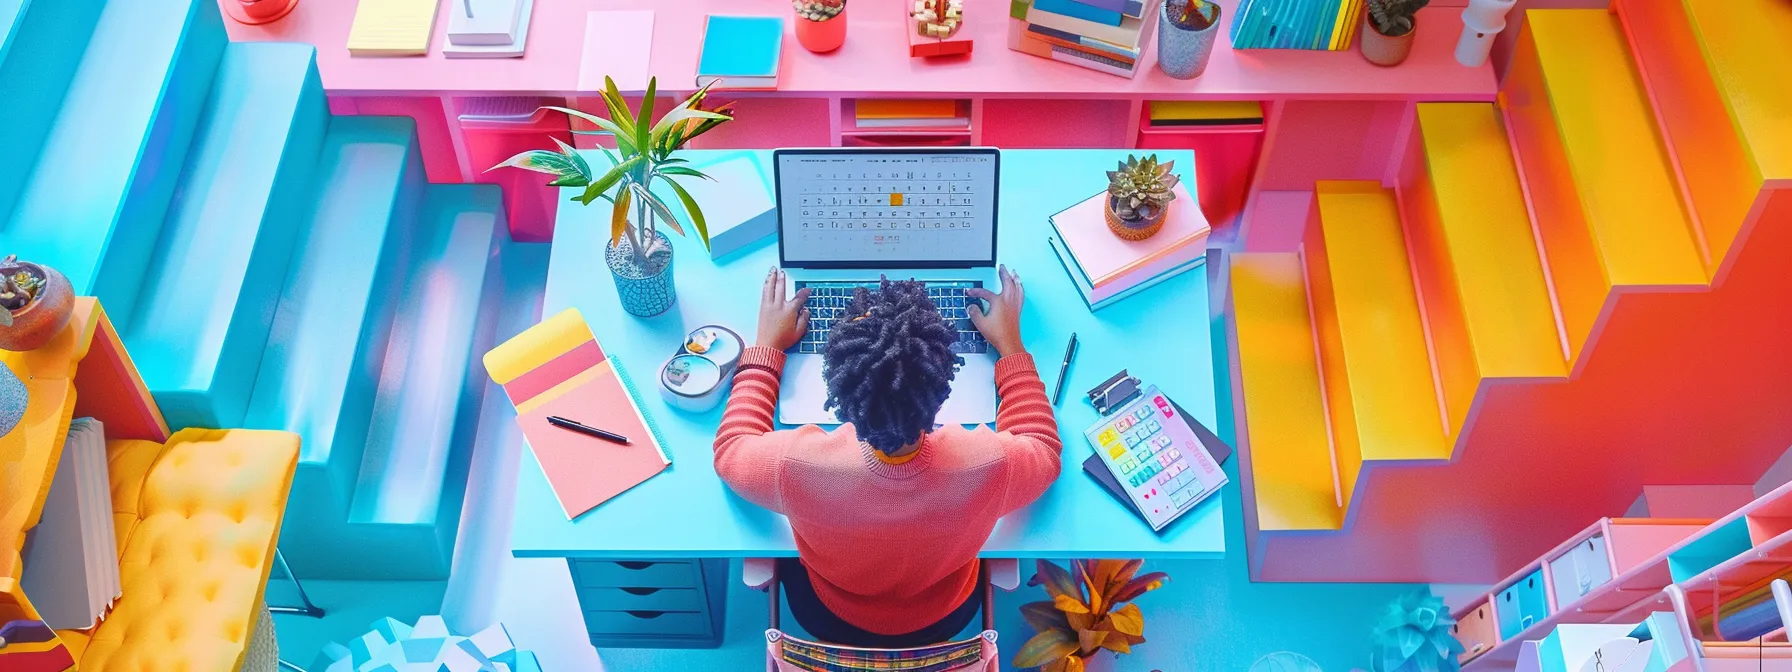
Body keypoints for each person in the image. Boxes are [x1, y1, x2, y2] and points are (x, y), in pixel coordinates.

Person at [713, 265, 1063, 647]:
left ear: (837, 390)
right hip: (946, 616)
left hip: (825, 612)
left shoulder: (795, 465)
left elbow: (731, 447)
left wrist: (767, 347)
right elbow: (1042, 445)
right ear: (943, 387)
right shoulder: (989, 464)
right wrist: (1010, 346)